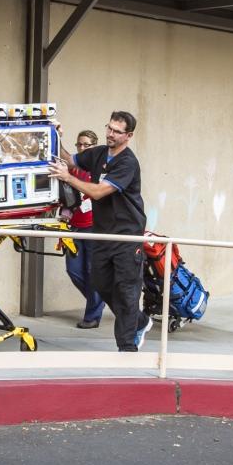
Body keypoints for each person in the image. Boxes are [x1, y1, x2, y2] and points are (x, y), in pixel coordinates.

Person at [49, 111, 151, 352]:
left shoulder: (127, 163)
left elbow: (97, 192)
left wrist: (68, 178)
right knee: (101, 284)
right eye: (109, 128)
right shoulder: (97, 154)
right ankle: (139, 321)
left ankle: (127, 348)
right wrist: (55, 135)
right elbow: (70, 159)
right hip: (103, 234)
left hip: (126, 236)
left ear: (129, 135)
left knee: (126, 291)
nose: (110, 134)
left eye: (117, 131)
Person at [62, 130, 105, 329]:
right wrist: (56, 134)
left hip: (94, 227)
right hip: (74, 227)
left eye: (86, 145)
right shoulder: (74, 168)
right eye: (79, 144)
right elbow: (63, 156)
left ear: (94, 147)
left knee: (92, 271)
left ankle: (92, 316)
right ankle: (99, 299)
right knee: (74, 271)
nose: (81, 148)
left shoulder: (99, 169)